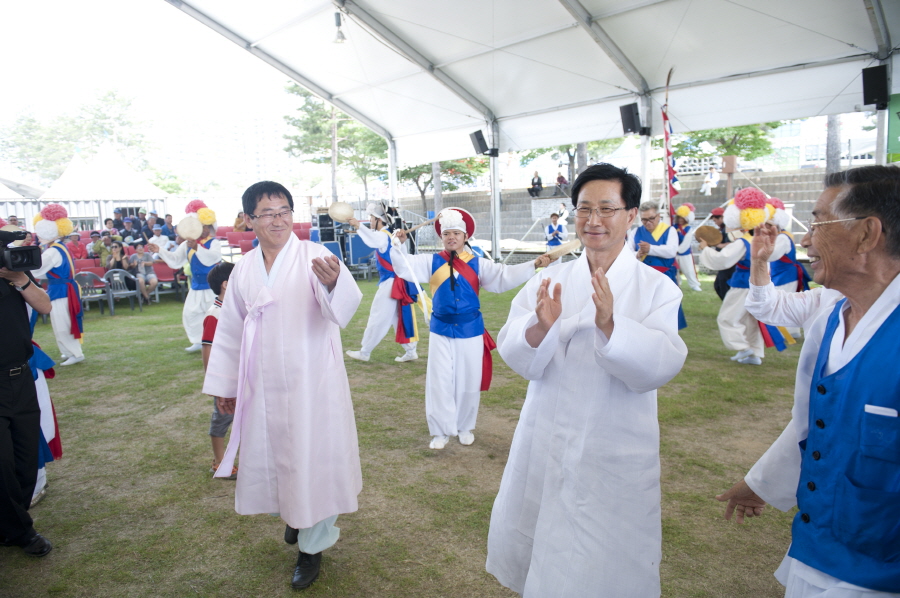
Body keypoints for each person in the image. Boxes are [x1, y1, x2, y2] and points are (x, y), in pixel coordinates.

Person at [486, 163, 688, 598]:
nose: (593, 221)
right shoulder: (550, 279)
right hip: (547, 433)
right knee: (541, 544)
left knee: (602, 558)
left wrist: (611, 324)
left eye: (607, 209)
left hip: (611, 444)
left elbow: (662, 364)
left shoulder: (657, 289)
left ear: (631, 214)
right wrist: (540, 328)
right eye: (584, 209)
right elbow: (514, 348)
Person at [716, 166, 900, 597]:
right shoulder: (832, 315)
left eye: (818, 223)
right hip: (816, 548)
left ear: (867, 234)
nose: (804, 239)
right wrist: (760, 482)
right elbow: (815, 424)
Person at [203, 181, 362, 591]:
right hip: (264, 382)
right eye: (267, 213)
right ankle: (294, 515)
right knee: (279, 456)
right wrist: (226, 384)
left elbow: (343, 306)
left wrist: (332, 285)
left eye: (284, 210)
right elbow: (231, 330)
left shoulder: (315, 255)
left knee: (315, 456)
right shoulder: (243, 270)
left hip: (313, 379)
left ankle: (312, 546)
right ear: (249, 220)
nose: (278, 219)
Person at [392, 208, 553, 449]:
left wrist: (533, 265)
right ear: (442, 238)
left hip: (470, 328)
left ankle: (465, 426)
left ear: (465, 236)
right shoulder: (431, 261)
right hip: (440, 329)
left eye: (456, 233)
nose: (451, 237)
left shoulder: (478, 263)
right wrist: (398, 245)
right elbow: (404, 265)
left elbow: (504, 276)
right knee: (439, 380)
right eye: (447, 234)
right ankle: (440, 431)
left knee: (468, 378)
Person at [698, 189, 792, 365]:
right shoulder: (764, 240)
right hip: (760, 284)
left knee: (727, 318)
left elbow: (722, 259)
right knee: (751, 320)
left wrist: (705, 248)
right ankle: (754, 353)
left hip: (743, 284)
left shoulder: (743, 242)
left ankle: (743, 348)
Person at [0, 257, 53, 557]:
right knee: (3, 462)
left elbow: (44, 306)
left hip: (20, 378)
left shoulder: (14, 270)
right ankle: (21, 531)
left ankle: (10, 523)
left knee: (25, 457)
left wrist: (20, 279)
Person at [345, 203, 420, 363]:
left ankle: (365, 352)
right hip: (394, 282)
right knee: (397, 317)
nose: (370, 221)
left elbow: (372, 240)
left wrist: (358, 225)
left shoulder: (384, 235)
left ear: (378, 219)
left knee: (378, 316)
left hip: (391, 283)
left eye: (371, 218)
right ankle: (411, 350)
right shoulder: (389, 235)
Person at [150, 202, 222, 352]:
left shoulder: (213, 243)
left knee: (215, 314)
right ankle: (197, 341)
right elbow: (176, 260)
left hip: (212, 286)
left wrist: (197, 248)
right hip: (196, 286)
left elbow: (212, 258)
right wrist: (160, 250)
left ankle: (219, 341)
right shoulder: (187, 245)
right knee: (191, 314)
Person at [31, 205, 84, 366]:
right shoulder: (60, 247)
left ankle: (75, 353)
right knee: (63, 322)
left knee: (62, 324)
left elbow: (37, 271)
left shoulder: (52, 251)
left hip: (61, 290)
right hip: (62, 289)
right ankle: (69, 351)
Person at [201, 261, 236, 480]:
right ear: (226, 284)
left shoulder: (236, 309)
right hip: (226, 377)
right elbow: (208, 350)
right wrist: (215, 383)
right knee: (222, 418)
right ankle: (219, 462)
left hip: (243, 374)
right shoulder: (215, 314)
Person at [629, 201, 687, 329]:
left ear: (658, 216)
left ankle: (669, 334)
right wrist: (637, 254)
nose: (648, 222)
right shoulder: (635, 232)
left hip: (665, 275)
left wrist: (650, 249)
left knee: (667, 306)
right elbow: (628, 252)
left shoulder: (669, 230)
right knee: (644, 309)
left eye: (651, 218)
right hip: (643, 276)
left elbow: (671, 251)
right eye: (644, 220)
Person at [674, 203, 702, 292]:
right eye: (679, 217)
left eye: (683, 218)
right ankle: (677, 283)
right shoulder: (673, 227)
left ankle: (694, 285)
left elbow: (686, 243)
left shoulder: (688, 229)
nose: (681, 220)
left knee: (689, 270)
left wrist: (677, 250)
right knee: (675, 270)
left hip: (684, 253)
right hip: (673, 252)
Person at [710, 207, 735, 300]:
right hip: (724, 262)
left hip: (728, 263)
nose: (715, 222)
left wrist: (715, 244)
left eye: (715, 220)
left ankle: (729, 304)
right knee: (718, 286)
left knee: (722, 286)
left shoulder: (728, 229)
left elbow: (731, 244)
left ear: (721, 218)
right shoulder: (722, 229)